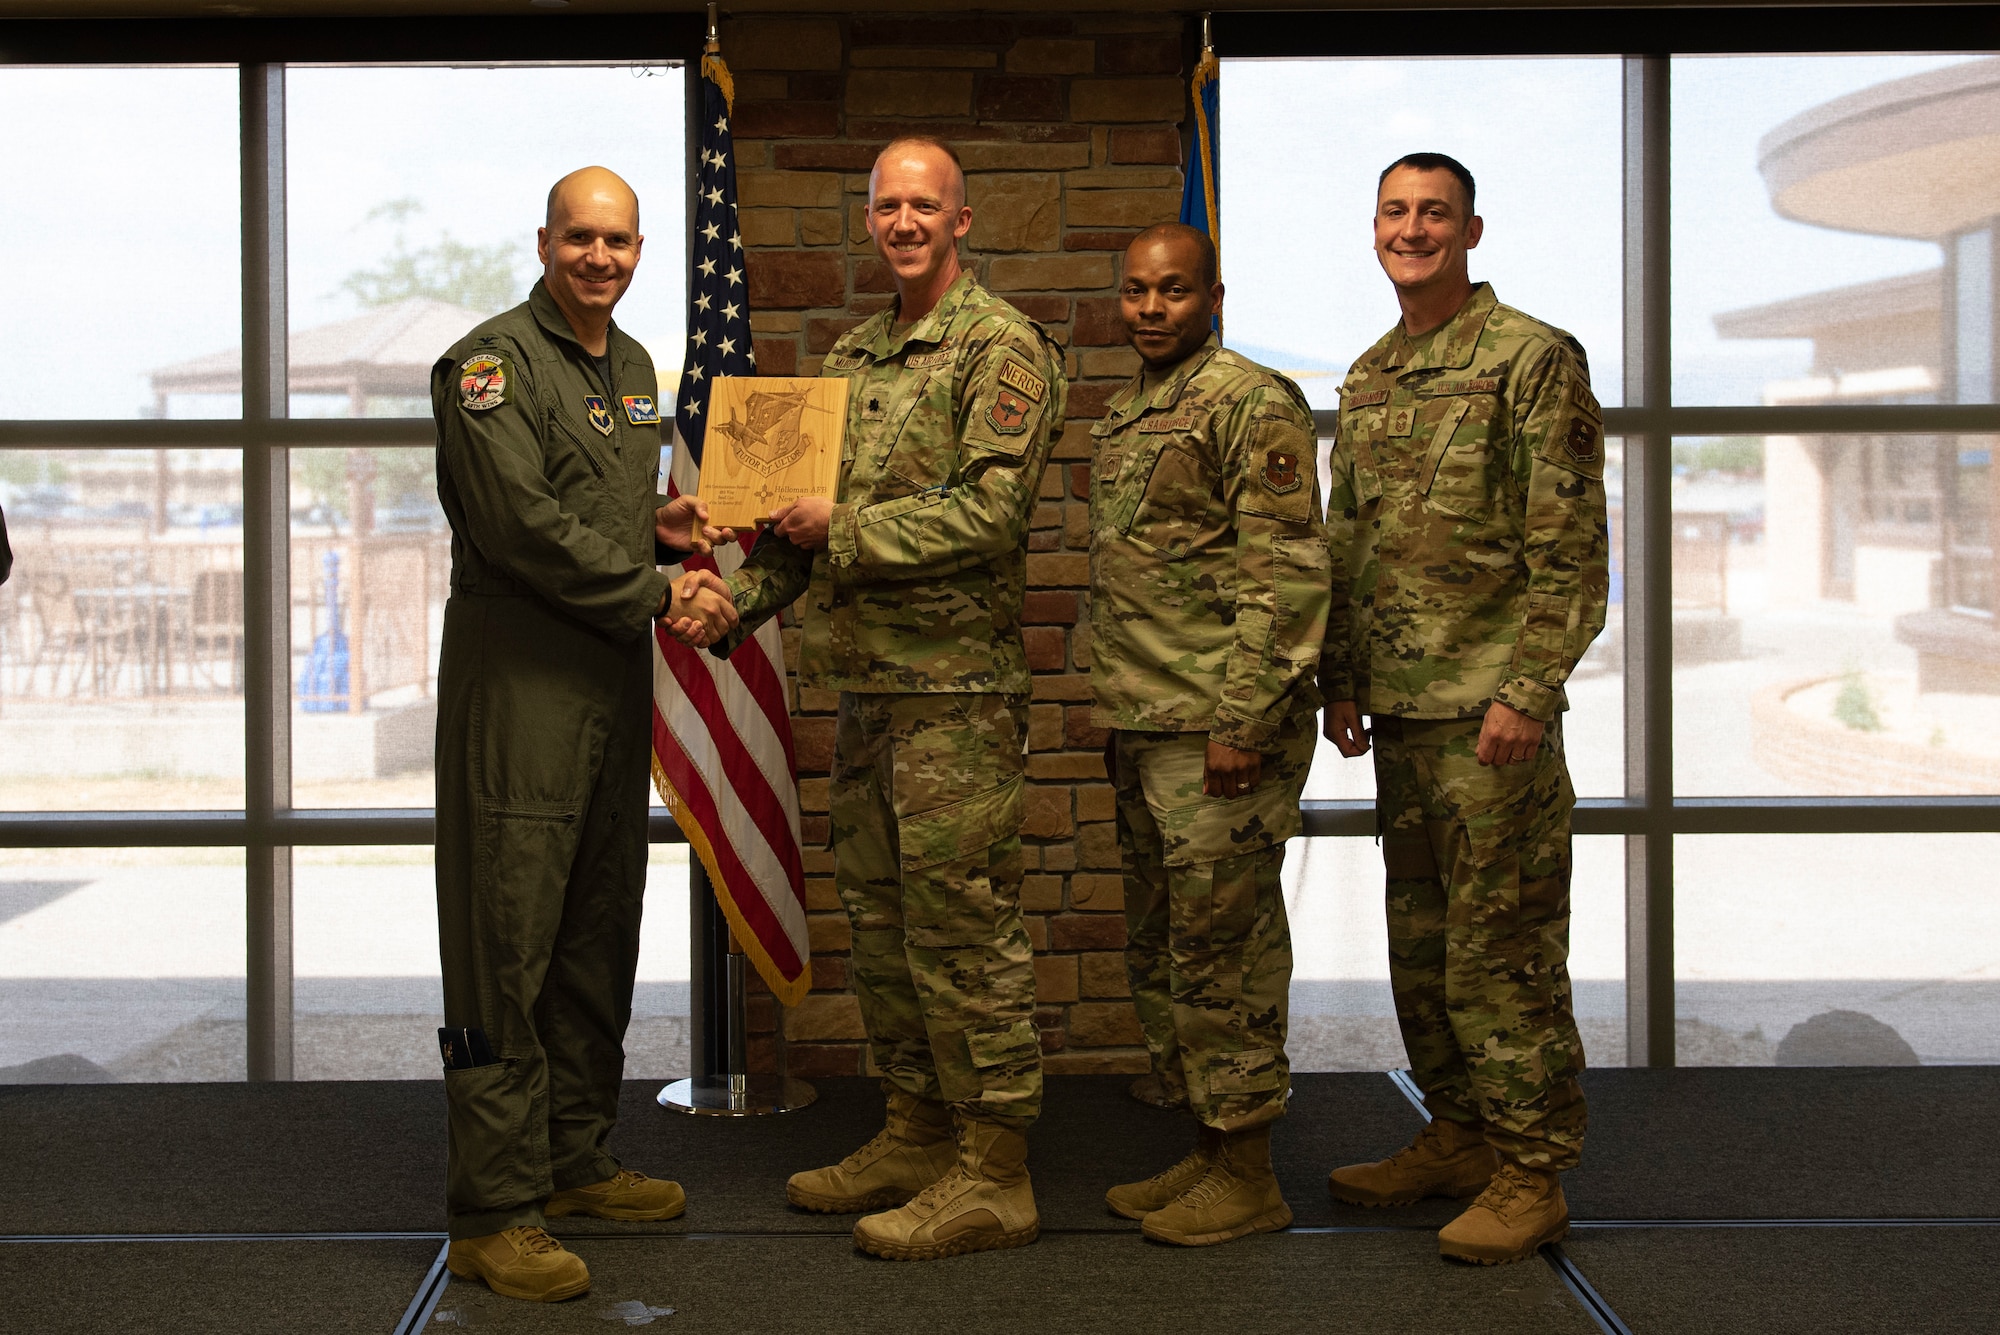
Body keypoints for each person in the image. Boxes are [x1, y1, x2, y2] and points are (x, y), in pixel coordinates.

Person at [707, 135, 1067, 1261]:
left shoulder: (1000, 350)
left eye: (923, 205)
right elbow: (793, 536)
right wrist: (735, 605)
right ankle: (915, 1129)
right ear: (870, 220)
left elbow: (990, 514)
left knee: (966, 933)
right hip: (867, 695)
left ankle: (996, 1170)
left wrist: (841, 529)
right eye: (885, 207)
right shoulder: (854, 359)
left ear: (961, 220)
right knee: (884, 928)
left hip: (954, 701)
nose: (902, 222)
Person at [430, 165, 738, 1303]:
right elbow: (522, 528)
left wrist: (658, 530)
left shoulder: (635, 368)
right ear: (546, 240)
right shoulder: (487, 364)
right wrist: (664, 592)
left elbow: (597, 514)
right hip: (519, 695)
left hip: (609, 690)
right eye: (579, 238)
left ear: (641, 249)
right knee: (505, 944)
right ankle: (493, 1211)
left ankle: (569, 1159)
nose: (598, 258)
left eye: (617, 241)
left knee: (595, 927)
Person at [1320, 153, 1610, 1265]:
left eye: (1432, 213)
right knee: (1424, 945)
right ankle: (1456, 1135)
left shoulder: (1529, 358)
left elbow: (1571, 546)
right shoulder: (1369, 373)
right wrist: (1340, 677)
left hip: (1492, 721)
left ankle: (1532, 1169)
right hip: (1401, 716)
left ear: (1471, 229)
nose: (1411, 229)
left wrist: (1528, 690)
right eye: (1394, 212)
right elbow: (1349, 543)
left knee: (1503, 955)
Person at [1089, 223, 1330, 1247]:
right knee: (1166, 947)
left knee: (1222, 950)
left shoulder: (1248, 402)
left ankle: (1247, 1171)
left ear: (1213, 297)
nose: (1150, 309)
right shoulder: (1130, 410)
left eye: (1173, 292)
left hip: (1214, 733)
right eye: (1136, 292)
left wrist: (1243, 719)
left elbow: (1286, 572)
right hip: (1145, 724)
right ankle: (1205, 1142)